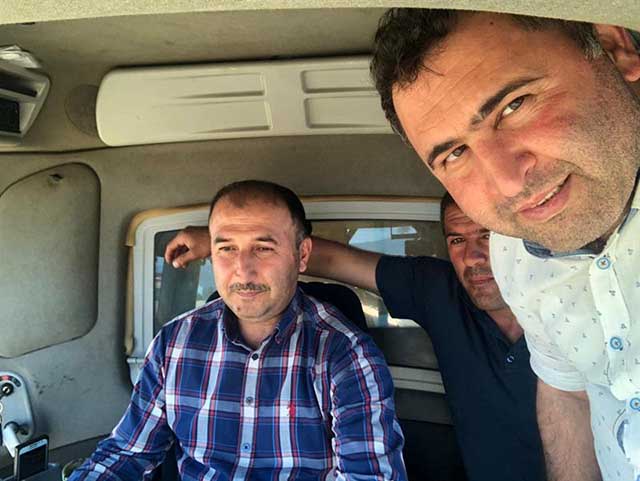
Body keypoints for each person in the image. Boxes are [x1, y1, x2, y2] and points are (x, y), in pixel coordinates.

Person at [369, 9, 640, 481]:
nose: (510, 182)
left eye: (513, 107)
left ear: (614, 47)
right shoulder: (514, 253)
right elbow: (568, 390)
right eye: (455, 154)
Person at [165, 192, 546, 481]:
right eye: (457, 240)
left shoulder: (567, 305)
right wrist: (225, 244)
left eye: (488, 236)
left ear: (524, 236)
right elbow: (331, 261)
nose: (474, 256)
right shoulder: (439, 290)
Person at [70, 180, 407, 481]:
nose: (243, 271)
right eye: (227, 248)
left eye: (263, 248)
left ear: (301, 255)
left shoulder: (345, 354)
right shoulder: (174, 345)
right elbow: (128, 453)